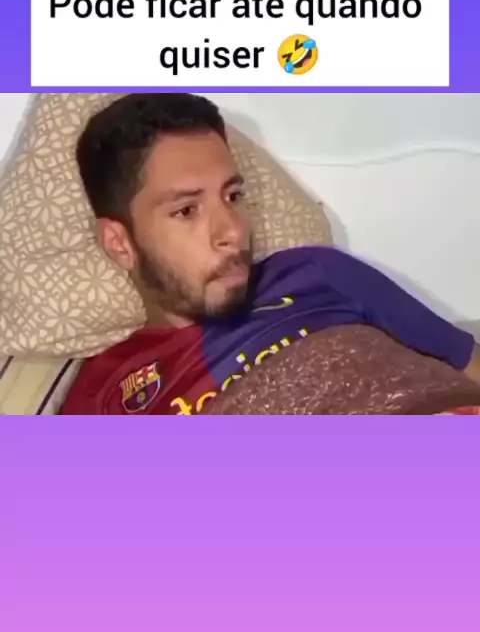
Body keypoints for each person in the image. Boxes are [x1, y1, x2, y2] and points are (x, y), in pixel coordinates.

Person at [61, 93, 480, 415]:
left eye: (233, 196)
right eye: (187, 210)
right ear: (120, 243)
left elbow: (469, 363)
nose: (233, 230)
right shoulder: (105, 393)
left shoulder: (318, 272)